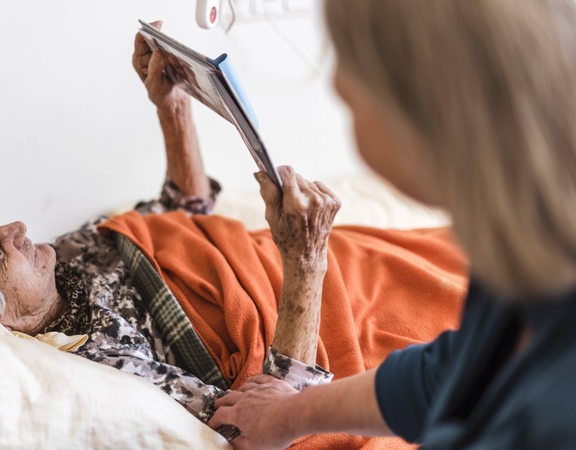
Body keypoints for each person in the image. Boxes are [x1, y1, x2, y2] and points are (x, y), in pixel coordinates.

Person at [0, 20, 468, 447]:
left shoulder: (64, 254)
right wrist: (306, 260)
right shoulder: (98, 368)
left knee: (486, 250)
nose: (17, 227)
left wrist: (173, 106)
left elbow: (180, 217)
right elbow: (263, 424)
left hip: (325, 258)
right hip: (324, 307)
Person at [208, 1, 576, 449]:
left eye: (348, 66)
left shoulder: (549, 421)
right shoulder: (523, 249)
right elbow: (456, 370)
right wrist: (289, 411)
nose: (339, 86)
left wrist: (307, 262)